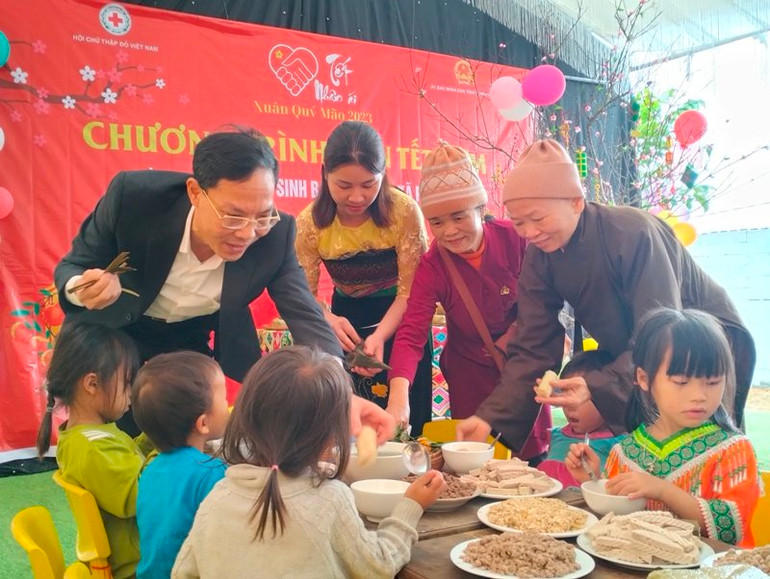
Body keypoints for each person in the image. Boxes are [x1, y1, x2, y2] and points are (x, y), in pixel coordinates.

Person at [54, 126, 392, 442]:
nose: (247, 233)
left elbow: (306, 315)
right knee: (114, 446)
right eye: (232, 217)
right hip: (114, 335)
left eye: (261, 216)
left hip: (186, 343)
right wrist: (84, 289)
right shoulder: (135, 199)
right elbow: (75, 265)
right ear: (195, 193)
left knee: (185, 440)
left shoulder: (275, 235)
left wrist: (341, 394)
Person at [457, 138, 756, 456]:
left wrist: (598, 386)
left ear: (575, 202)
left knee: (695, 454)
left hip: (698, 342)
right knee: (644, 460)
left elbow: (661, 332)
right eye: (519, 223)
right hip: (640, 351)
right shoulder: (539, 257)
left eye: (538, 218)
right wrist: (492, 419)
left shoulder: (633, 233)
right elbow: (533, 347)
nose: (529, 232)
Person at [172, 346, 445, 578]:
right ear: (330, 439)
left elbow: (182, 572)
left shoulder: (219, 496)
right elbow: (379, 565)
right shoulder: (329, 499)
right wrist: (411, 505)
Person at [387, 141, 549, 460]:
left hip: (521, 368)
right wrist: (398, 396)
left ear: (479, 208)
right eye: (436, 222)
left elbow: (545, 303)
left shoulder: (516, 239)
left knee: (530, 461)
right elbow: (410, 334)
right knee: (477, 461)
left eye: (458, 217)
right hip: (470, 376)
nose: (449, 232)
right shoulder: (432, 265)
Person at [566, 308, 761, 547]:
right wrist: (594, 479)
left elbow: (731, 529)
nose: (699, 395)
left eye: (712, 382)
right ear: (644, 379)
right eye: (681, 382)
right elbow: (615, 521)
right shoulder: (625, 451)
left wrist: (663, 491)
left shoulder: (733, 450)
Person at [295, 121, 433, 435]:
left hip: (402, 323)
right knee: (352, 424)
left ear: (384, 175)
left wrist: (381, 336)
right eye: (344, 186)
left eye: (369, 184)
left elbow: (412, 291)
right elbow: (302, 295)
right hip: (348, 325)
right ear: (324, 174)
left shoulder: (404, 211)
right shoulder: (309, 223)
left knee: (408, 423)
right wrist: (327, 318)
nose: (357, 197)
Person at [36, 322, 147, 579]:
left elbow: (127, 461)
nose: (131, 393)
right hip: (135, 567)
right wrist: (173, 451)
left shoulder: (89, 436)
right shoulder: (92, 448)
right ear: (92, 384)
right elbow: (140, 496)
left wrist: (154, 438)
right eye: (127, 383)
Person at [132, 352, 229, 579]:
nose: (228, 404)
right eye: (224, 398)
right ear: (203, 423)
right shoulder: (211, 473)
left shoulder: (150, 470)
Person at [536, 350, 626, 487]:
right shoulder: (556, 435)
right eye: (564, 394)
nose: (569, 405)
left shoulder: (620, 444)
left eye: (577, 397)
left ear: (607, 398)